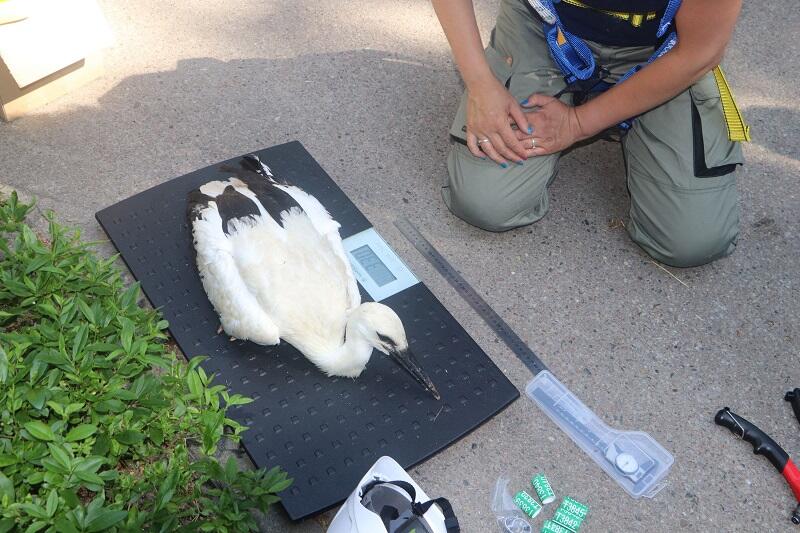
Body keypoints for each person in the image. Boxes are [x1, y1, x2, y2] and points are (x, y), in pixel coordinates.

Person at [431, 0, 747, 268]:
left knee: (692, 239)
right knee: (486, 202)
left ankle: (617, 105)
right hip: (546, 26)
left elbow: (699, 52)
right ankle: (595, 100)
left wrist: (578, 124)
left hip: (660, 46)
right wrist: (480, 84)